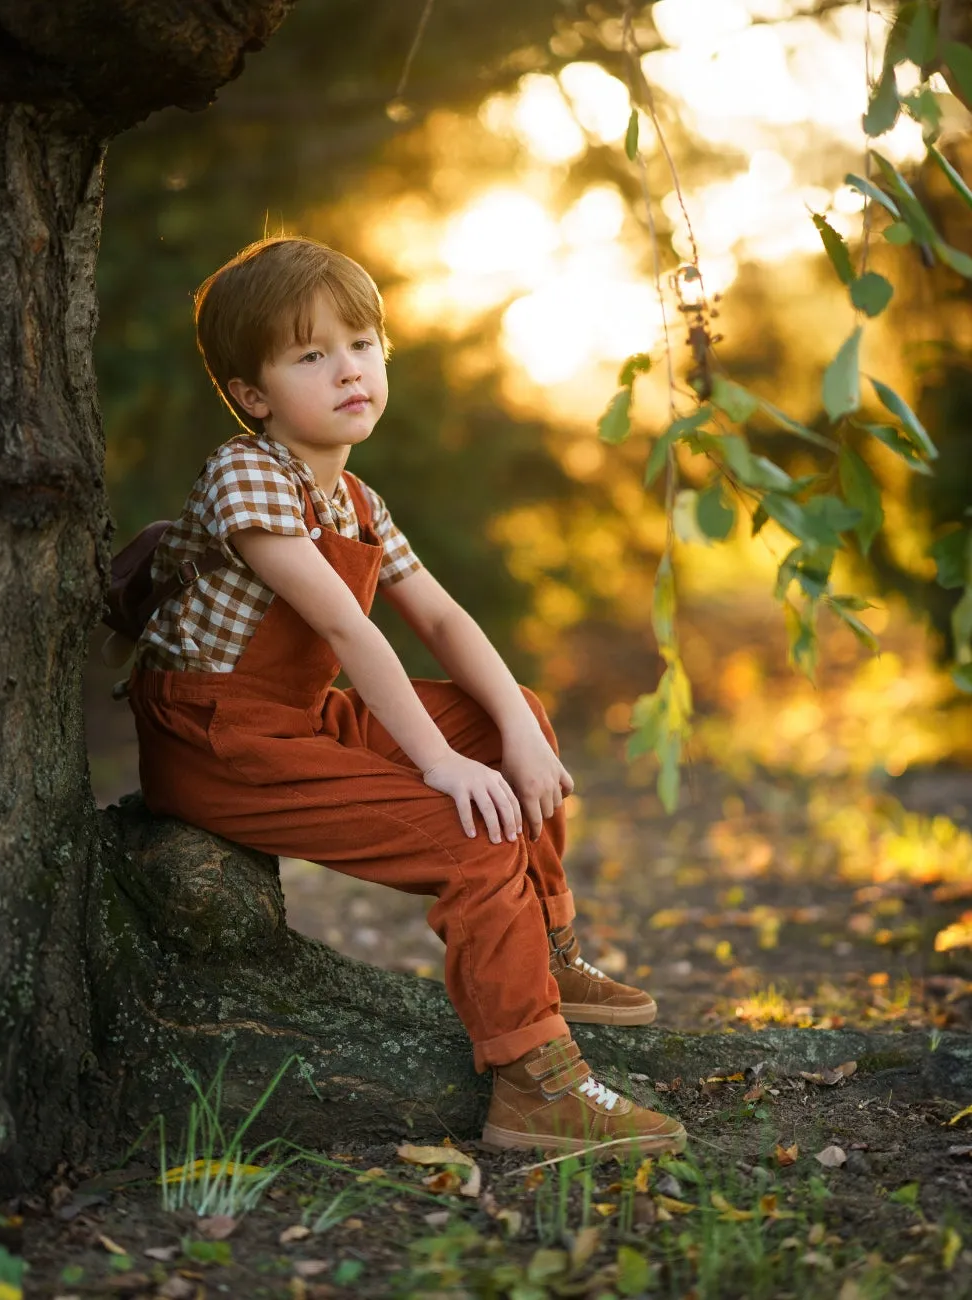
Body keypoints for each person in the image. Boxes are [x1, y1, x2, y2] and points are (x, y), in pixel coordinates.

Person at [128, 235, 686, 1156]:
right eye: (312, 355)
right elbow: (352, 633)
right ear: (254, 395)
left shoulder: (355, 498)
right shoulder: (247, 474)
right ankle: (532, 1083)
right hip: (219, 739)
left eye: (363, 344)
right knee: (469, 829)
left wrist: (515, 730)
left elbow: (443, 618)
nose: (349, 370)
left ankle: (547, 947)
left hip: (296, 720)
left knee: (517, 715)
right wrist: (440, 762)